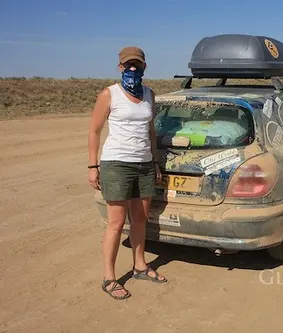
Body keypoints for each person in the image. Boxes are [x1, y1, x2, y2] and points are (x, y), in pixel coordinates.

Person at [88, 46, 167, 300]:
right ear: (120, 67)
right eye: (128, 65)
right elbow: (94, 131)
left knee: (141, 217)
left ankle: (140, 266)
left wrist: (154, 162)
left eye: (137, 65)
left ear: (144, 67)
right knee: (116, 223)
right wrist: (93, 166)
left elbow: (151, 130)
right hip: (117, 164)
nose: (133, 69)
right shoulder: (109, 94)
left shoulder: (149, 94)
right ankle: (109, 278)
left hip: (144, 165)